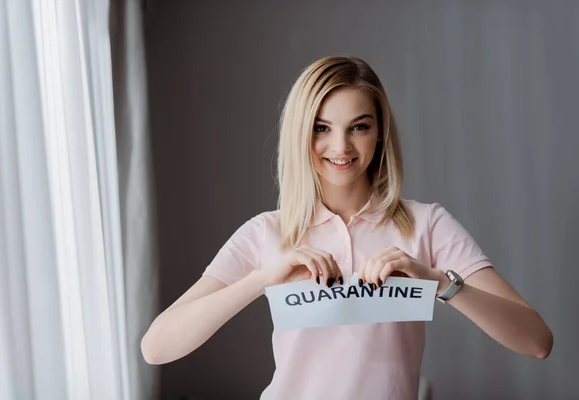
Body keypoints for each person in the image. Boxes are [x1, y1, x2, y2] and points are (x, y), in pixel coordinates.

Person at [141, 56, 553, 399]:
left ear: (380, 134)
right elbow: (156, 347)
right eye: (322, 128)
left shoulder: (427, 224)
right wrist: (262, 279)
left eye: (359, 126)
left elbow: (537, 342)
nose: (341, 147)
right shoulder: (266, 233)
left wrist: (436, 281)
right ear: (302, 134)